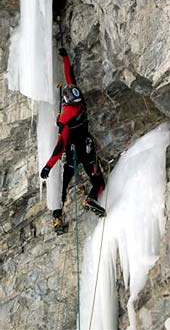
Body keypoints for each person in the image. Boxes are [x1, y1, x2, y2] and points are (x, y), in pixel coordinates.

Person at [40, 48, 105, 234]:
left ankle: (57, 218)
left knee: (62, 186)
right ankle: (90, 199)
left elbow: (59, 147)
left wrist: (48, 166)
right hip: (87, 150)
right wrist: (65, 57)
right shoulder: (81, 101)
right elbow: (70, 77)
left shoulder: (65, 119)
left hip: (71, 155)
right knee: (99, 183)